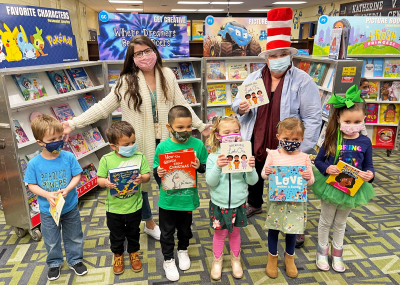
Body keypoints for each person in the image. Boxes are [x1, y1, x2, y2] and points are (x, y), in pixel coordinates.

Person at [62, 35, 210, 240]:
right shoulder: (126, 81)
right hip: (139, 141)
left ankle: (175, 221)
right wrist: (73, 122)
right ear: (132, 58)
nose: (144, 56)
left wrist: (201, 126)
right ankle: (149, 223)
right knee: (141, 183)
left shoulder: (167, 74)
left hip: (168, 140)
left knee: (173, 181)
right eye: (138, 53)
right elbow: (104, 107)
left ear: (155, 51)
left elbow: (181, 104)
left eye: (147, 50)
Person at [231, 7, 321, 247]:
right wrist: (240, 107)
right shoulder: (254, 78)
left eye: (282, 54)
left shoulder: (303, 80)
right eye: (273, 54)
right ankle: (255, 204)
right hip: (257, 135)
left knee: (291, 183)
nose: (277, 58)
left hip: (288, 142)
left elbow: (313, 117)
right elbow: (235, 104)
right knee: (256, 169)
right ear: (266, 57)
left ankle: (295, 224)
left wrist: (305, 148)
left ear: (289, 56)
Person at [313, 85, 375, 272]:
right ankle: (322, 251)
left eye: (357, 121)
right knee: (326, 220)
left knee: (341, 222)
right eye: (348, 120)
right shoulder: (332, 137)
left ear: (364, 119)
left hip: (352, 188)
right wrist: (327, 168)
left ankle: (337, 252)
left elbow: (369, 166)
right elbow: (318, 161)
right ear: (338, 119)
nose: (352, 125)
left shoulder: (365, 142)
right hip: (331, 186)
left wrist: (370, 175)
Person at [24, 115, 87, 281]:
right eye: (52, 139)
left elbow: (77, 175)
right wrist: (46, 194)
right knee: (51, 239)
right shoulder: (34, 164)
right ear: (40, 142)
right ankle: (54, 263)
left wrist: (67, 189)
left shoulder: (68, 157)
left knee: (74, 235)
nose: (58, 141)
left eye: (60, 137)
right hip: (47, 210)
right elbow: (31, 185)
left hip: (70, 206)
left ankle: (75, 260)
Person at [153, 106, 208, 282]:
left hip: (187, 199)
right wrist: (159, 172)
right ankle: (168, 260)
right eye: (180, 128)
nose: (185, 131)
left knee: (185, 229)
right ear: (169, 127)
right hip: (168, 200)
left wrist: (199, 165)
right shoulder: (163, 146)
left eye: (189, 127)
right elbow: (156, 170)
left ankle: (183, 250)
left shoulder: (198, 144)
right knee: (166, 232)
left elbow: (205, 168)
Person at [205, 116, 258, 280]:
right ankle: (217, 260)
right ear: (218, 135)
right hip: (219, 204)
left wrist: (250, 168)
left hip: (238, 203)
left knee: (235, 234)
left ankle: (236, 259)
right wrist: (218, 167)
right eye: (227, 132)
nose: (232, 135)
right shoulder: (213, 157)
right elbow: (210, 182)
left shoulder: (244, 154)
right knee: (219, 234)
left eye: (236, 131)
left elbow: (253, 181)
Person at [261, 117, 314, 279]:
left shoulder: (304, 158)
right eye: (286, 139)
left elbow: (311, 181)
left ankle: (289, 259)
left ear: (302, 139)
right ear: (278, 138)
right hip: (276, 202)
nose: (291, 142)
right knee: (274, 229)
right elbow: (263, 175)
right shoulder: (273, 155)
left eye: (295, 139)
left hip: (295, 203)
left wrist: (307, 177)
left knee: (293, 231)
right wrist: (267, 173)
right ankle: (272, 258)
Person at [97, 121, 150, 275]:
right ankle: (118, 255)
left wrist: (142, 178)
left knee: (134, 232)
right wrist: (105, 182)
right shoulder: (106, 160)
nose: (131, 146)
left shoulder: (139, 156)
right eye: (126, 144)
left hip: (135, 205)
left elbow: (147, 175)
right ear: (113, 146)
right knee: (116, 234)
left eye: (133, 142)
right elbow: (99, 180)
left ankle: (133, 253)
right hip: (114, 208)